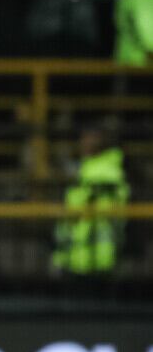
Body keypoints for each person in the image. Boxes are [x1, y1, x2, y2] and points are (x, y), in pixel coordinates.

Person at [52, 124, 130, 294]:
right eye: (83, 138)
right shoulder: (86, 168)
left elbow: (99, 205)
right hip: (78, 255)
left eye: (90, 138)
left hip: (99, 257)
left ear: (101, 141)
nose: (84, 143)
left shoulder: (107, 169)